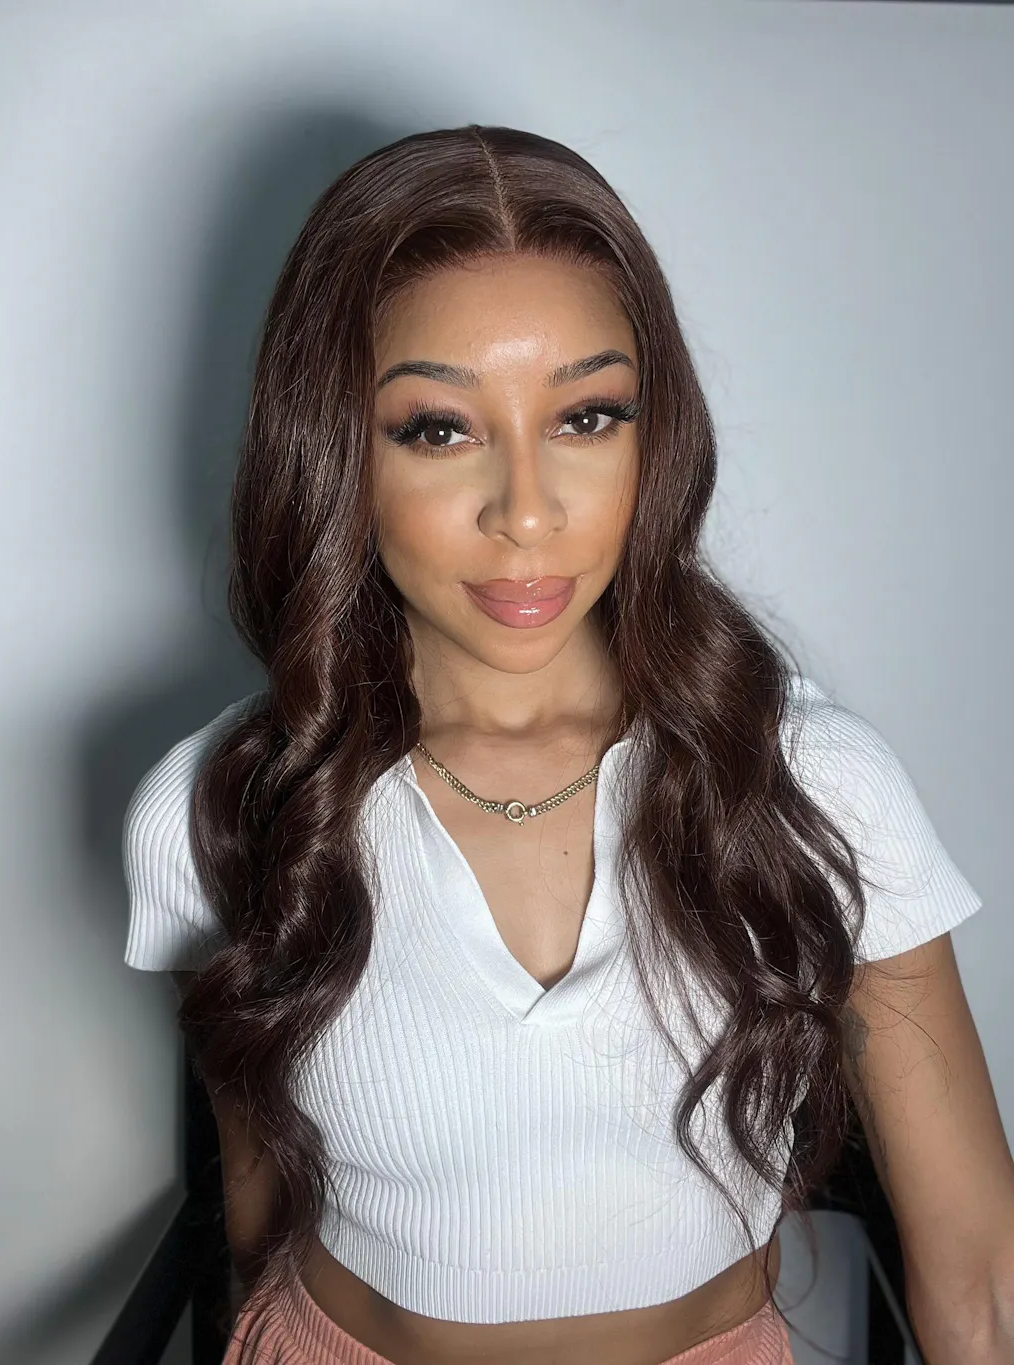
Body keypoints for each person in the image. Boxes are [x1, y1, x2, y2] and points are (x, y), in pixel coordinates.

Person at [121, 125, 1011, 1365]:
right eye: (439, 429)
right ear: (333, 450)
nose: (528, 513)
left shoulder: (814, 785)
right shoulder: (223, 802)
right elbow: (256, 1213)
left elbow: (980, 1279)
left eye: (586, 416)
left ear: (654, 435)